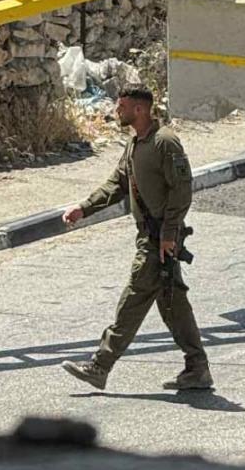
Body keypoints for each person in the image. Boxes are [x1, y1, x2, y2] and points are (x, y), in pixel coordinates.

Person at [60, 86, 212, 392]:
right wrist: (84, 208)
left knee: (134, 298)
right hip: (151, 237)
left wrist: (168, 234)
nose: (117, 111)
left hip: (159, 240)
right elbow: (117, 183)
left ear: (139, 110)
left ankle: (100, 366)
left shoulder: (164, 142)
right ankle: (197, 368)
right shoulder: (135, 144)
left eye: (122, 107)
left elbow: (182, 190)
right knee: (172, 304)